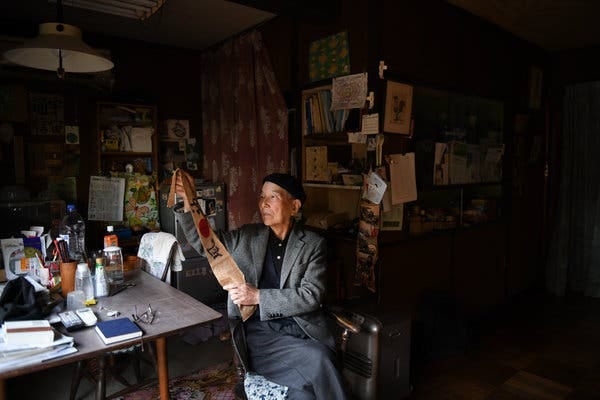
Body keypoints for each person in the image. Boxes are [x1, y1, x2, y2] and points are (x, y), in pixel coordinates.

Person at [174, 172, 346, 400]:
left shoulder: (313, 245)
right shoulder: (247, 236)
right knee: (319, 359)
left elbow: (310, 296)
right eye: (261, 196)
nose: (263, 203)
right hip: (261, 336)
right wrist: (189, 203)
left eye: (272, 197)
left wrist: (258, 297)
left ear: (294, 206)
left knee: (303, 394)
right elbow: (205, 243)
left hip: (302, 330)